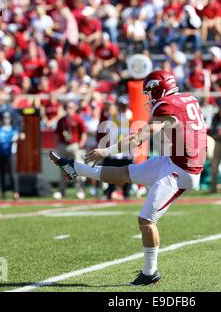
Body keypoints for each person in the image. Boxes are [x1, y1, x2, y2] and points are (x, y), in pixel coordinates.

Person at [49, 70, 207, 285]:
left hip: (182, 171)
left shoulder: (166, 105)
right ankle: (75, 168)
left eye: (150, 92)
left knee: (146, 220)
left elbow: (139, 136)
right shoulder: (187, 98)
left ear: (158, 89)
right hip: (174, 160)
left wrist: (106, 151)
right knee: (124, 173)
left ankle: (150, 273)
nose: (149, 98)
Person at [54, 101, 88, 200]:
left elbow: (84, 133)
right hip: (63, 145)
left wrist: (81, 144)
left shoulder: (78, 119)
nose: (69, 109)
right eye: (68, 107)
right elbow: (57, 134)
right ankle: (61, 190)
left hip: (74, 145)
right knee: (63, 169)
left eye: (71, 107)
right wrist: (57, 146)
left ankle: (80, 190)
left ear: (74, 108)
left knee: (78, 167)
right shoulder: (61, 120)